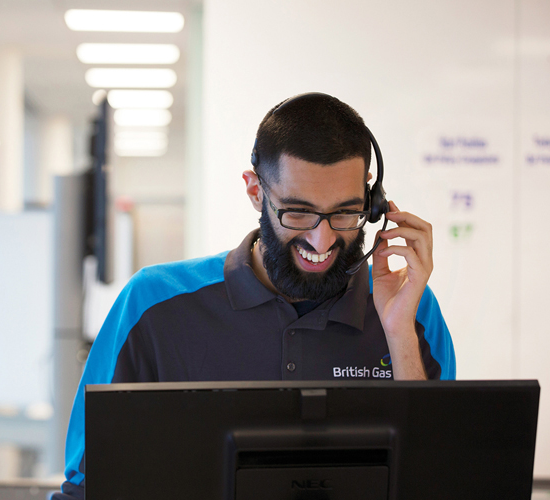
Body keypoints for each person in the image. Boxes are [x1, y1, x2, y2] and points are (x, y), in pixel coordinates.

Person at [52, 93, 456, 499]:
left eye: (345, 213)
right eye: (297, 212)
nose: (323, 238)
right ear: (255, 192)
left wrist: (398, 330)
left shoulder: (411, 310)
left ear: (372, 205)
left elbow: (440, 483)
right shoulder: (154, 305)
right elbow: (86, 487)